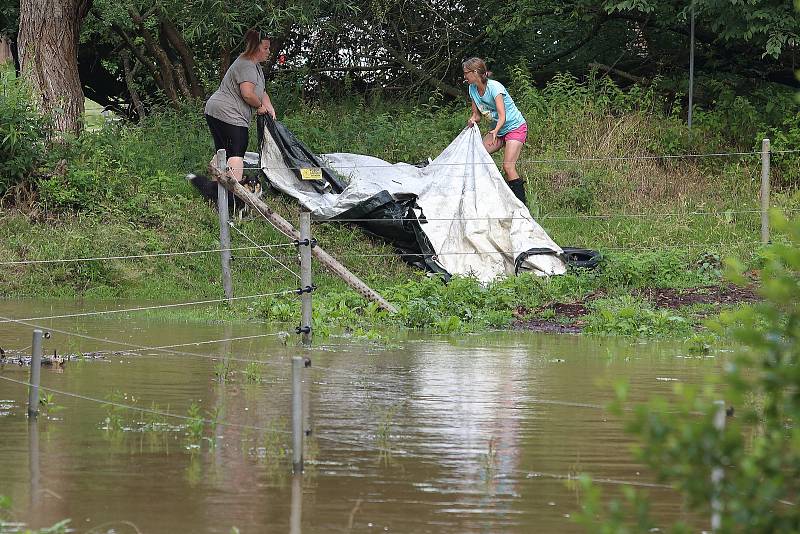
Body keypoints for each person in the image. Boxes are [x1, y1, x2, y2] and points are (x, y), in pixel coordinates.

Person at [205, 29, 276, 182]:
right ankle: (233, 194)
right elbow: (248, 93)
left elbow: (261, 91)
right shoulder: (247, 65)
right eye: (265, 48)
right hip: (228, 112)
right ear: (255, 48)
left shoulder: (254, 65)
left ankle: (217, 190)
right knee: (237, 151)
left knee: (222, 150)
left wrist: (269, 106)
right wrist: (259, 107)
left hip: (216, 110)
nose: (268, 51)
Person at [463, 57, 528, 205]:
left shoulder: (495, 87)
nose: (464, 76)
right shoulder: (472, 89)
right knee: (476, 155)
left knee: (508, 166)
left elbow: (502, 115)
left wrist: (496, 131)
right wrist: (472, 120)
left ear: (474, 72)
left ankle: (522, 208)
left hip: (514, 127)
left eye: (466, 73)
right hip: (497, 130)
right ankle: (487, 198)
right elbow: (477, 115)